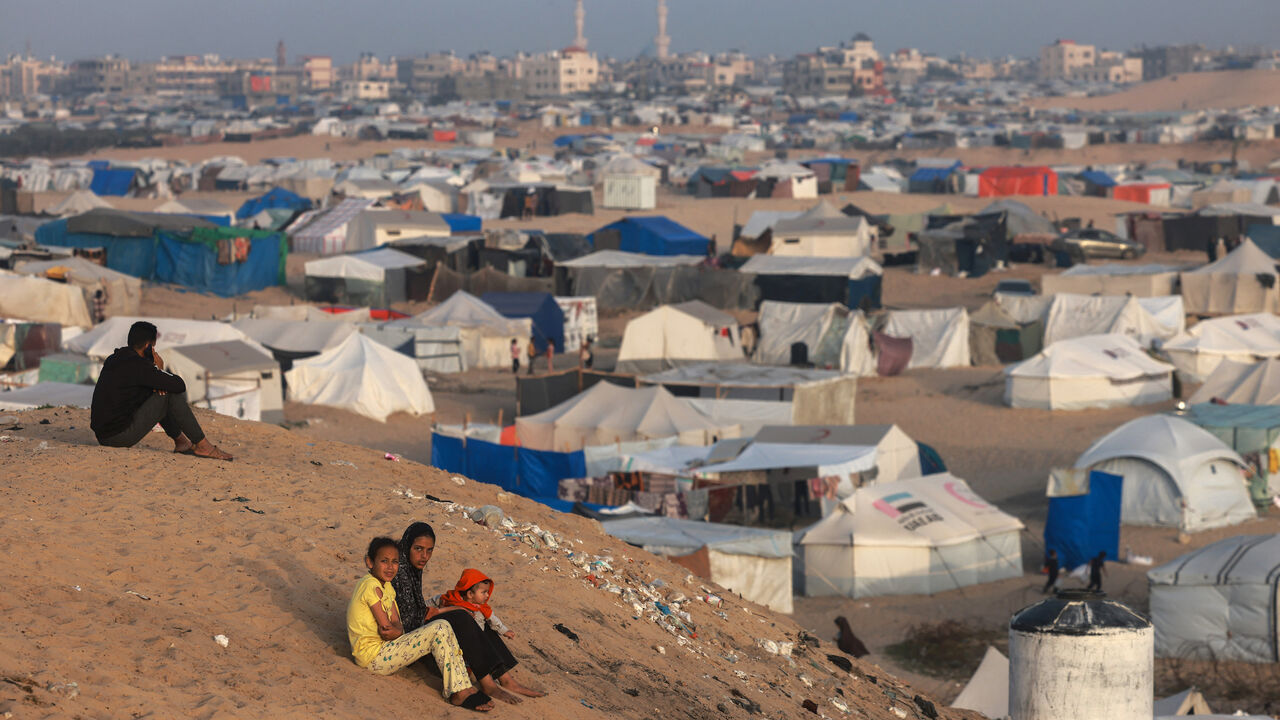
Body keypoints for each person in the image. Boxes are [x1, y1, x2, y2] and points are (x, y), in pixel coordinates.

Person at [391, 523, 545, 701]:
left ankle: (506, 678)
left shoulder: (411, 568)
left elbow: (417, 607)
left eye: (429, 550)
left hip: (423, 631)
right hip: (412, 644)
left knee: (478, 614)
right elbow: (409, 617)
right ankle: (488, 684)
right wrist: (449, 608)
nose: (424, 556)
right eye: (418, 549)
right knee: (462, 615)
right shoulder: (398, 571)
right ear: (407, 545)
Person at [346, 537, 493, 712]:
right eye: (384, 561)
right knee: (438, 628)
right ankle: (459, 691)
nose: (390, 567)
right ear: (369, 562)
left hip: (386, 649)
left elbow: (396, 624)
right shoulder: (370, 586)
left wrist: (397, 630)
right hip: (373, 658)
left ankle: (463, 686)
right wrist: (397, 630)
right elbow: (387, 630)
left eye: (395, 562)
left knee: (443, 626)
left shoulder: (387, 586)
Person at [90, 321, 233, 460]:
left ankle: (182, 442)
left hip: (104, 435)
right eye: (153, 347)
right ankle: (203, 446)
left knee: (160, 390)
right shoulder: (139, 367)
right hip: (117, 438)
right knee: (169, 393)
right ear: (147, 346)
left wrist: (157, 378)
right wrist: (159, 369)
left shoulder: (115, 358)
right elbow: (179, 385)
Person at [437, 569, 513, 638]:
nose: (487, 595)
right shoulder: (450, 599)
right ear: (470, 594)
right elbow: (430, 604)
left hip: (475, 638)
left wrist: (505, 631)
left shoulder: (481, 609)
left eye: (487, 592)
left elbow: (493, 620)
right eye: (484, 592)